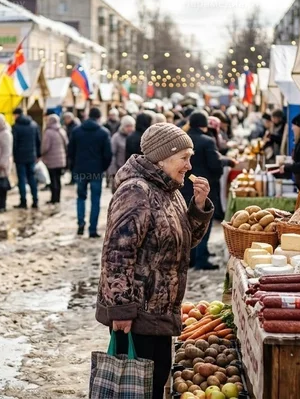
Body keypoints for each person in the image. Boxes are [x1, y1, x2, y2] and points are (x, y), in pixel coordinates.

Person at [96, 123, 214, 399]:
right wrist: (121, 309)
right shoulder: (136, 192)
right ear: (163, 158)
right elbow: (116, 255)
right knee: (136, 388)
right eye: (184, 157)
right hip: (138, 313)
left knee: (157, 380)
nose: (189, 165)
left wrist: (198, 206)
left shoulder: (169, 190)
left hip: (160, 311)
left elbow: (184, 242)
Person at [181, 112, 236, 270]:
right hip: (203, 187)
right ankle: (201, 258)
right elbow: (215, 164)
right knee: (203, 221)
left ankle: (191, 257)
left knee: (188, 222)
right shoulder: (207, 140)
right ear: (204, 125)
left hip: (184, 186)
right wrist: (222, 167)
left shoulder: (183, 139)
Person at [68, 107, 112, 238]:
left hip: (80, 169)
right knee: (95, 200)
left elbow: (70, 151)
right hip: (96, 171)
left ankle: (81, 224)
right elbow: (108, 154)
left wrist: (74, 167)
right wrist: (103, 168)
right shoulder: (103, 132)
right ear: (99, 117)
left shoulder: (76, 131)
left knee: (81, 198)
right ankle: (93, 229)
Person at [12, 108, 41, 209]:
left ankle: (23, 201)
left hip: (20, 157)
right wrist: (38, 155)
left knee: (22, 180)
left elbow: (14, 144)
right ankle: (35, 200)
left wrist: (14, 155)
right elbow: (38, 141)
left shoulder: (16, 127)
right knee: (32, 178)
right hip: (31, 156)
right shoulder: (33, 125)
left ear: (17, 115)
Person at [41, 114, 68, 204]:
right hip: (61, 160)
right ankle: (58, 197)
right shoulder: (61, 131)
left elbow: (45, 147)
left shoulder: (48, 132)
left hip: (51, 160)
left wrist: (41, 153)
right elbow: (66, 144)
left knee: (53, 180)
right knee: (58, 179)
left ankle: (54, 198)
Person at [107, 115, 136, 193]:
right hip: (119, 170)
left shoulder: (135, 137)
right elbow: (112, 154)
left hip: (132, 171)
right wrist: (112, 171)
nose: (130, 128)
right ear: (123, 126)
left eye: (131, 126)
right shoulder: (116, 137)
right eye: (127, 126)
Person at [63, 111, 81, 186]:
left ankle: (74, 180)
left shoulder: (74, 126)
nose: (64, 120)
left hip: (75, 148)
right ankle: (73, 179)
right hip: (73, 148)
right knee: (72, 164)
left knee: (74, 164)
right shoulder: (69, 126)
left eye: (65, 119)